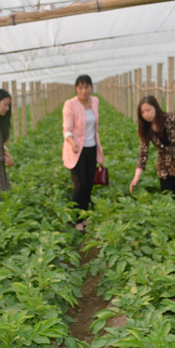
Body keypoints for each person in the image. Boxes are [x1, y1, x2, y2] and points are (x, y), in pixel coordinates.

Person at [62, 75, 105, 233]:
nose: (84, 91)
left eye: (87, 87)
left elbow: (94, 126)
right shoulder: (70, 104)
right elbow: (67, 129)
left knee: (88, 184)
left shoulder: (95, 101)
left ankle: (84, 215)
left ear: (91, 88)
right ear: (76, 89)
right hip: (76, 150)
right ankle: (77, 219)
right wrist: (72, 142)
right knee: (79, 185)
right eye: (80, 87)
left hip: (91, 148)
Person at [129, 95, 175, 197]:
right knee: (167, 196)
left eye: (148, 110)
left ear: (156, 108)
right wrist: (136, 177)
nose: (146, 114)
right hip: (165, 165)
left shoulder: (171, 119)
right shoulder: (146, 129)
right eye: (142, 112)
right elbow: (143, 154)